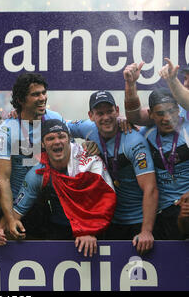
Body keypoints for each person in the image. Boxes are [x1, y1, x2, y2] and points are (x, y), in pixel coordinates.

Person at [0, 119, 117, 257]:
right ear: (43, 145)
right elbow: (19, 208)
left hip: (95, 228)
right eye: (50, 138)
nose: (57, 142)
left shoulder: (90, 161)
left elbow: (106, 201)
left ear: (69, 139)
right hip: (61, 228)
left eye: (61, 136)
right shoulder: (39, 172)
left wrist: (89, 232)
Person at [67, 91, 158, 255]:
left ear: (117, 110)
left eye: (110, 111)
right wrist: (78, 149)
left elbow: (150, 188)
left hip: (138, 220)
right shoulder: (87, 129)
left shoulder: (134, 140)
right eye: (100, 113)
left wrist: (146, 231)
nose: (106, 117)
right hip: (108, 220)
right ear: (91, 115)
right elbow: (56, 127)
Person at [0, 72, 65, 239]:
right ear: (20, 100)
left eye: (43, 92)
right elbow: (3, 179)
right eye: (35, 94)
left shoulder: (55, 119)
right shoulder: (5, 131)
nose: (42, 98)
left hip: (47, 205)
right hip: (13, 208)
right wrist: (9, 220)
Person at [140, 88, 189, 240]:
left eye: (171, 111)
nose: (167, 118)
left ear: (178, 110)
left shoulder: (187, 130)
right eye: (160, 113)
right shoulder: (144, 134)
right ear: (151, 115)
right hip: (162, 212)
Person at [123, 59, 188, 126]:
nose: (186, 84)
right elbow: (136, 118)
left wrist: (172, 80)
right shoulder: (176, 108)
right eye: (185, 78)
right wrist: (130, 84)